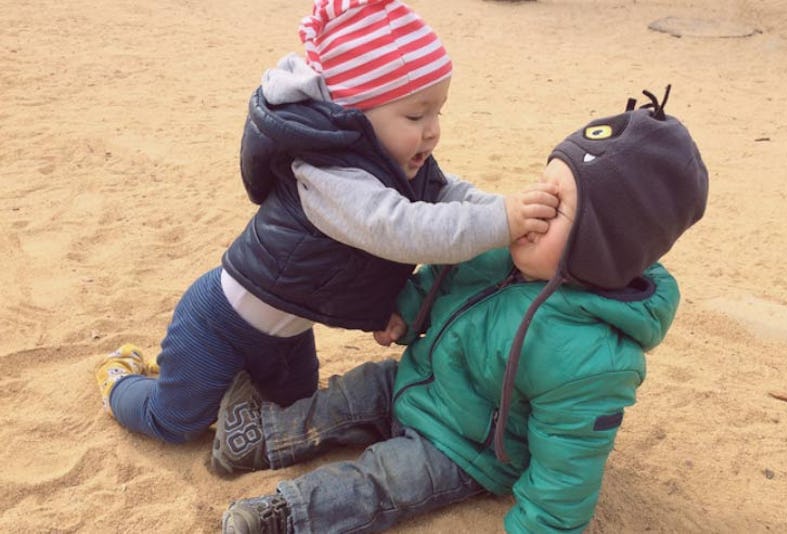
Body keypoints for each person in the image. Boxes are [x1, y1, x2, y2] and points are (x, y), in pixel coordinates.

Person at [213, 86, 710, 533]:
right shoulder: (505, 247)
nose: (533, 208)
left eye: (556, 208)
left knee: (384, 479)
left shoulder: (591, 356)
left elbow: (569, 469)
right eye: (541, 186)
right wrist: (406, 311)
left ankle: (288, 514)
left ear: (604, 246)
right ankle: (258, 437)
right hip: (421, 384)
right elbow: (443, 278)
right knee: (356, 391)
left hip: (462, 450)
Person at [93, 0, 558, 444]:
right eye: (416, 114)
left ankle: (197, 377)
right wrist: (502, 220)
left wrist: (510, 210)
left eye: (438, 111)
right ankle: (120, 379)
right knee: (175, 422)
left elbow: (446, 193)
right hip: (220, 322)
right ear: (353, 115)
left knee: (294, 412)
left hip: (290, 337)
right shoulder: (326, 175)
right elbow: (402, 229)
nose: (433, 129)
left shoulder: (397, 160)